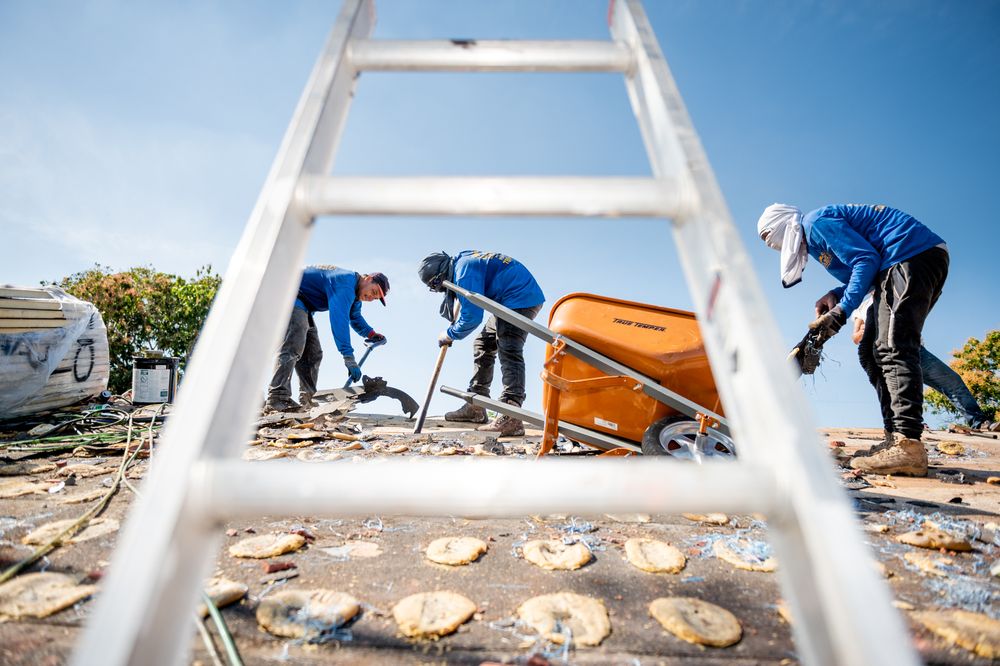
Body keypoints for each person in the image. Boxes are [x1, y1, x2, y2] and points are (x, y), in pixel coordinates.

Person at [757, 203, 948, 476]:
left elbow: (865, 260)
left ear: (783, 225)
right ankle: (893, 440)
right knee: (870, 352)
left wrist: (842, 311)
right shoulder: (813, 239)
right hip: (897, 265)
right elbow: (867, 272)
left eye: (767, 236)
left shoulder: (816, 224)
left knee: (893, 346)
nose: (768, 243)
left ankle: (908, 445)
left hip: (910, 255)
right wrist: (836, 293)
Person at [418, 250, 545, 436]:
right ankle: (476, 405)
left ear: (441, 275)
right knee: (483, 344)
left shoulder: (464, 272)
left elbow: (472, 317)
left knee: (509, 347)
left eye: (436, 285)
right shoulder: (462, 263)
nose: (440, 290)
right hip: (508, 300)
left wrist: (449, 334)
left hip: (520, 299)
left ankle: (512, 414)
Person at [851, 294, 998, 432]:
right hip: (887, 351)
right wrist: (866, 330)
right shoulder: (864, 306)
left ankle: (979, 422)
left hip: (915, 350)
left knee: (953, 382)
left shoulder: (901, 291)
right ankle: (907, 426)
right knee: (900, 391)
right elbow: (855, 337)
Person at [266, 265, 389, 412]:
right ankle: (277, 398)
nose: (370, 298)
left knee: (313, 354)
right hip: (289, 293)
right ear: (368, 279)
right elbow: (339, 320)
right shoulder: (345, 283)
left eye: (374, 299)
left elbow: (354, 317)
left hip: (304, 306)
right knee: (294, 344)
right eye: (373, 292)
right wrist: (348, 356)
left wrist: (371, 334)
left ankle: (308, 401)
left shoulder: (355, 295)